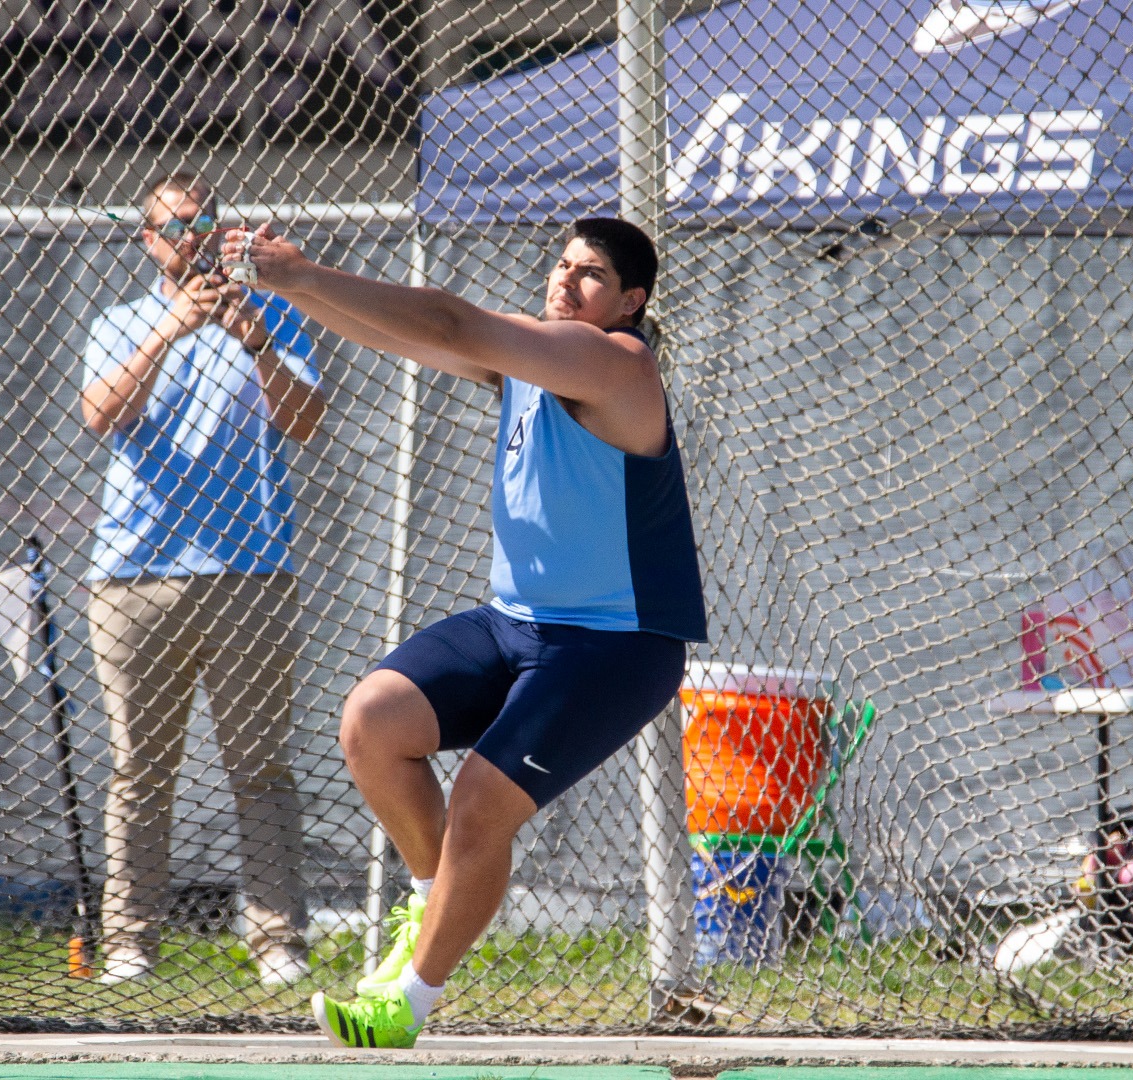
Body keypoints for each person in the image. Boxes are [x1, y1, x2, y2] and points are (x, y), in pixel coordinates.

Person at [219, 217, 705, 1045]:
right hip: (515, 625)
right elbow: (405, 337)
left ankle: (406, 1004)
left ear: (631, 301)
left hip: (615, 646)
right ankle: (431, 897)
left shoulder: (615, 360)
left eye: (589, 274)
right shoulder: (530, 362)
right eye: (560, 264)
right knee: (373, 722)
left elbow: (447, 321)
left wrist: (301, 275)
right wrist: (286, 289)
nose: (564, 280)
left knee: (481, 803)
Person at [79, 173, 327, 987]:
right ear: (146, 241)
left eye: (203, 223)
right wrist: (171, 332)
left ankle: (278, 942)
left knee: (259, 768)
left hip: (251, 571)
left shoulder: (275, 314)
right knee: (140, 770)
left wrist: (252, 338)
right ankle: (129, 946)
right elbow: (102, 416)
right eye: (174, 227)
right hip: (135, 575)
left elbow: (305, 422)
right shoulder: (120, 323)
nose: (190, 237)